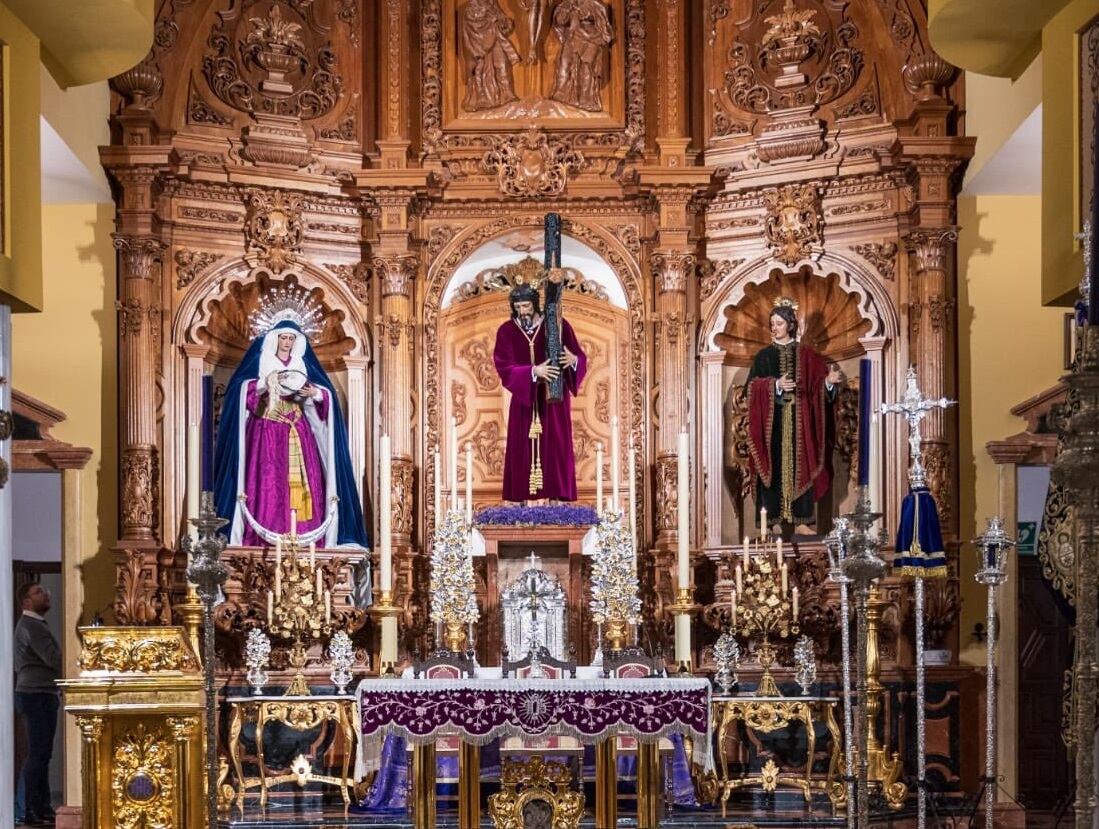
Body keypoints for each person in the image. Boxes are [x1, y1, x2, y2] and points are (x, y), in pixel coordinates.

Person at [214, 295, 368, 549]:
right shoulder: (261, 363)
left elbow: (324, 396)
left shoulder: (301, 364)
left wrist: (315, 394)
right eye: (283, 338)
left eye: (291, 339)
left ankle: (304, 541)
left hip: (298, 433)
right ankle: (259, 541)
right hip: (266, 432)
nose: (286, 343)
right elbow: (240, 393)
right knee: (266, 486)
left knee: (304, 487)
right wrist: (265, 384)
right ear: (274, 339)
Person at [745, 298, 842, 535]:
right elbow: (750, 388)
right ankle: (772, 521)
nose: (774, 327)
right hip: (773, 424)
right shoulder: (763, 356)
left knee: (802, 465)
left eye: (778, 323)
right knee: (772, 467)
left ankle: (801, 521)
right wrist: (774, 385)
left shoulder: (808, 356)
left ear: (790, 325)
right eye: (772, 323)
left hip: (801, 423)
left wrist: (828, 383)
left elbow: (819, 386)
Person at [493, 275, 587, 502]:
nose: (522, 312)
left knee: (556, 448)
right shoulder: (507, 330)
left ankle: (558, 501)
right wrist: (534, 372)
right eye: (517, 307)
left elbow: (580, 358)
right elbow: (504, 366)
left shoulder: (558, 325)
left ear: (535, 304)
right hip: (524, 402)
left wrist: (573, 360)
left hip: (554, 401)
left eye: (526, 306)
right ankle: (520, 503)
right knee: (521, 450)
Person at [14, 582, 62, 826]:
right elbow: (53, 658)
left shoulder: (35, 624)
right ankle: (28, 809)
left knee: (42, 754)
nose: (45, 593)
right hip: (36, 695)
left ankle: (40, 808)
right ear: (26, 603)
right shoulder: (32, 625)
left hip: (39, 693)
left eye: (44, 589)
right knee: (37, 755)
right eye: (38, 592)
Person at [460, 0, 521, 111]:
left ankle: (506, 94)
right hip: (479, 44)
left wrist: (505, 23)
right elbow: (473, 24)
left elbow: (500, 18)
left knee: (502, 64)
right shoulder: (472, 6)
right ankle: (483, 99)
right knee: (480, 70)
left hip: (495, 38)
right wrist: (491, 22)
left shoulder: (492, 3)